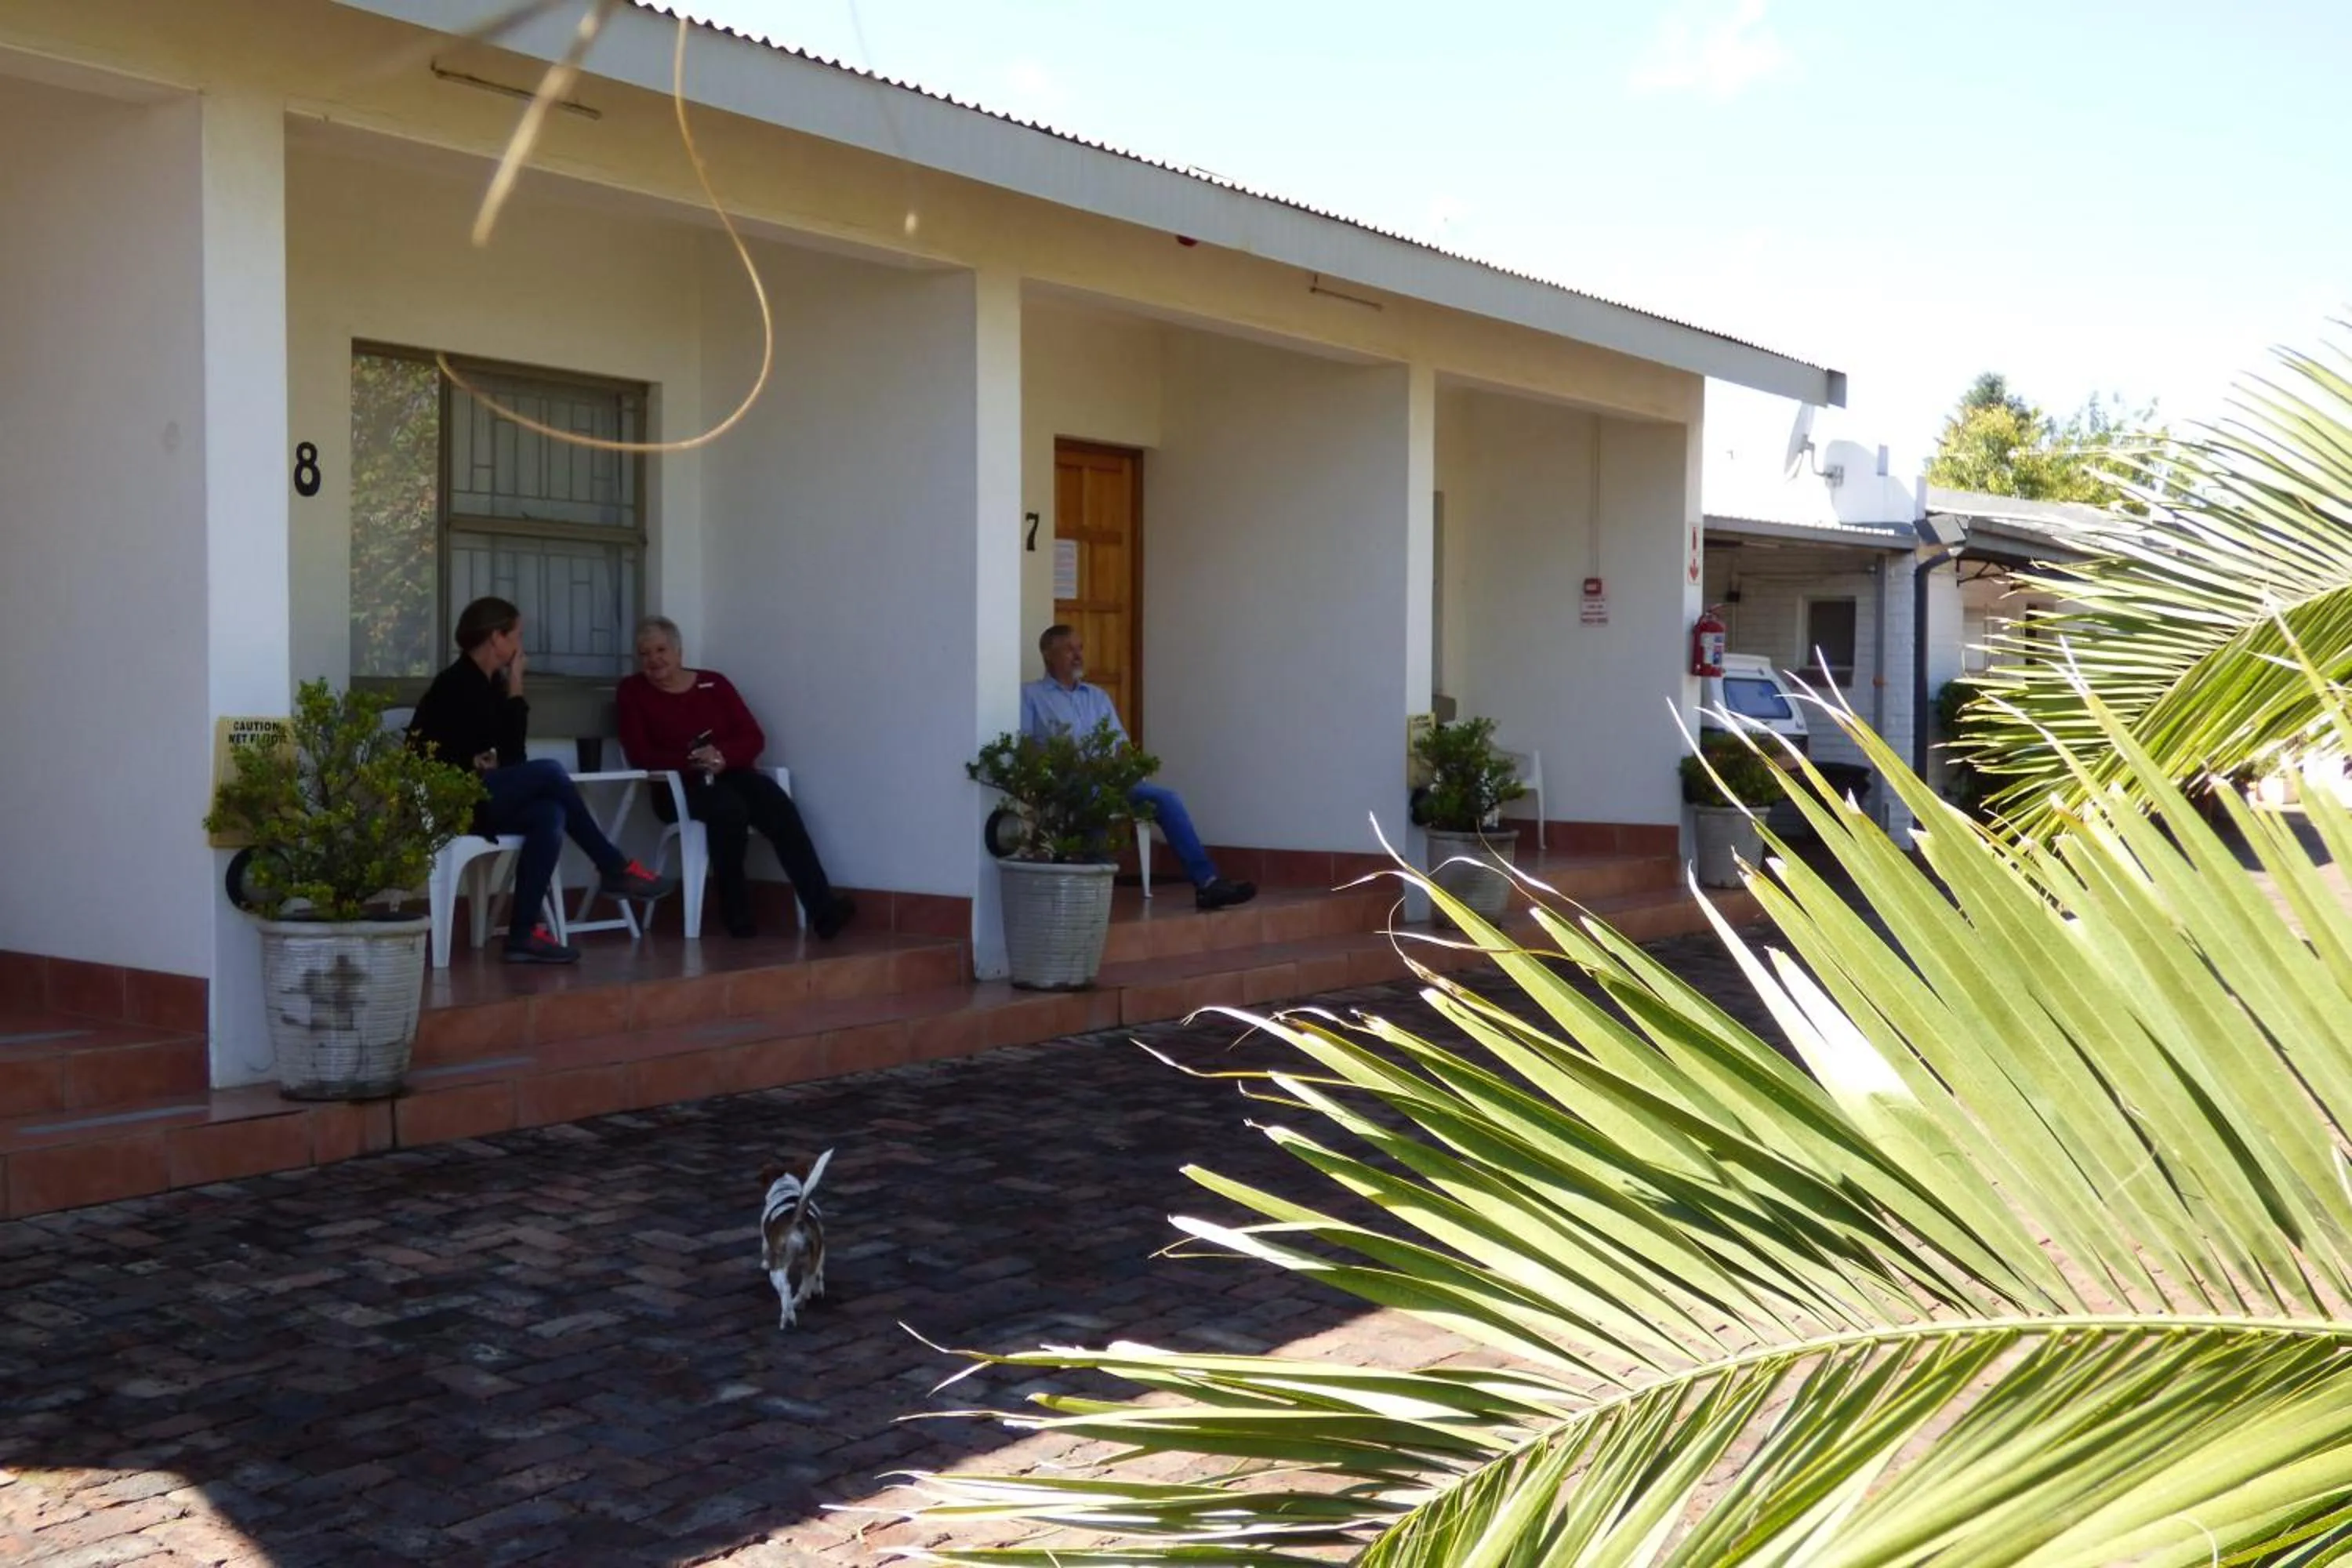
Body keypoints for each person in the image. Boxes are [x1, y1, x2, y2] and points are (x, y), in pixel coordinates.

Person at [408, 597, 680, 964]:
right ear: (496, 638)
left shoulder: (490, 684)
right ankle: (613, 867)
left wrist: (516, 682)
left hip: (481, 797)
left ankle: (523, 934)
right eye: (517, 635)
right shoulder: (455, 684)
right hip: (450, 803)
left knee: (549, 813)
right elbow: (422, 752)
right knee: (550, 771)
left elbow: (512, 756)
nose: (521, 644)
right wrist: (470, 760)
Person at [615, 617, 857, 942]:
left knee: (777, 804)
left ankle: (823, 910)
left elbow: (753, 737)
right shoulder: (632, 692)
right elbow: (640, 754)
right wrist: (693, 761)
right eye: (645, 654)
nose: (654, 660)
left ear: (678, 651)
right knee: (727, 809)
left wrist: (722, 756)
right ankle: (737, 913)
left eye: (661, 650)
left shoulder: (714, 684)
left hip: (730, 771)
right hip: (679, 786)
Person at [1020, 625, 1256, 911]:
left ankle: (1207, 883)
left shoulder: (1096, 696)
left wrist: (1121, 767)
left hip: (1110, 777)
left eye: (1080, 648)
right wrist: (1067, 762)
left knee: (1166, 798)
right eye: (1070, 649)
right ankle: (1098, 889)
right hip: (1069, 781)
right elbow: (1028, 747)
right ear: (1048, 654)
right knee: (1092, 796)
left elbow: (1119, 744)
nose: (1078, 655)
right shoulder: (1031, 696)